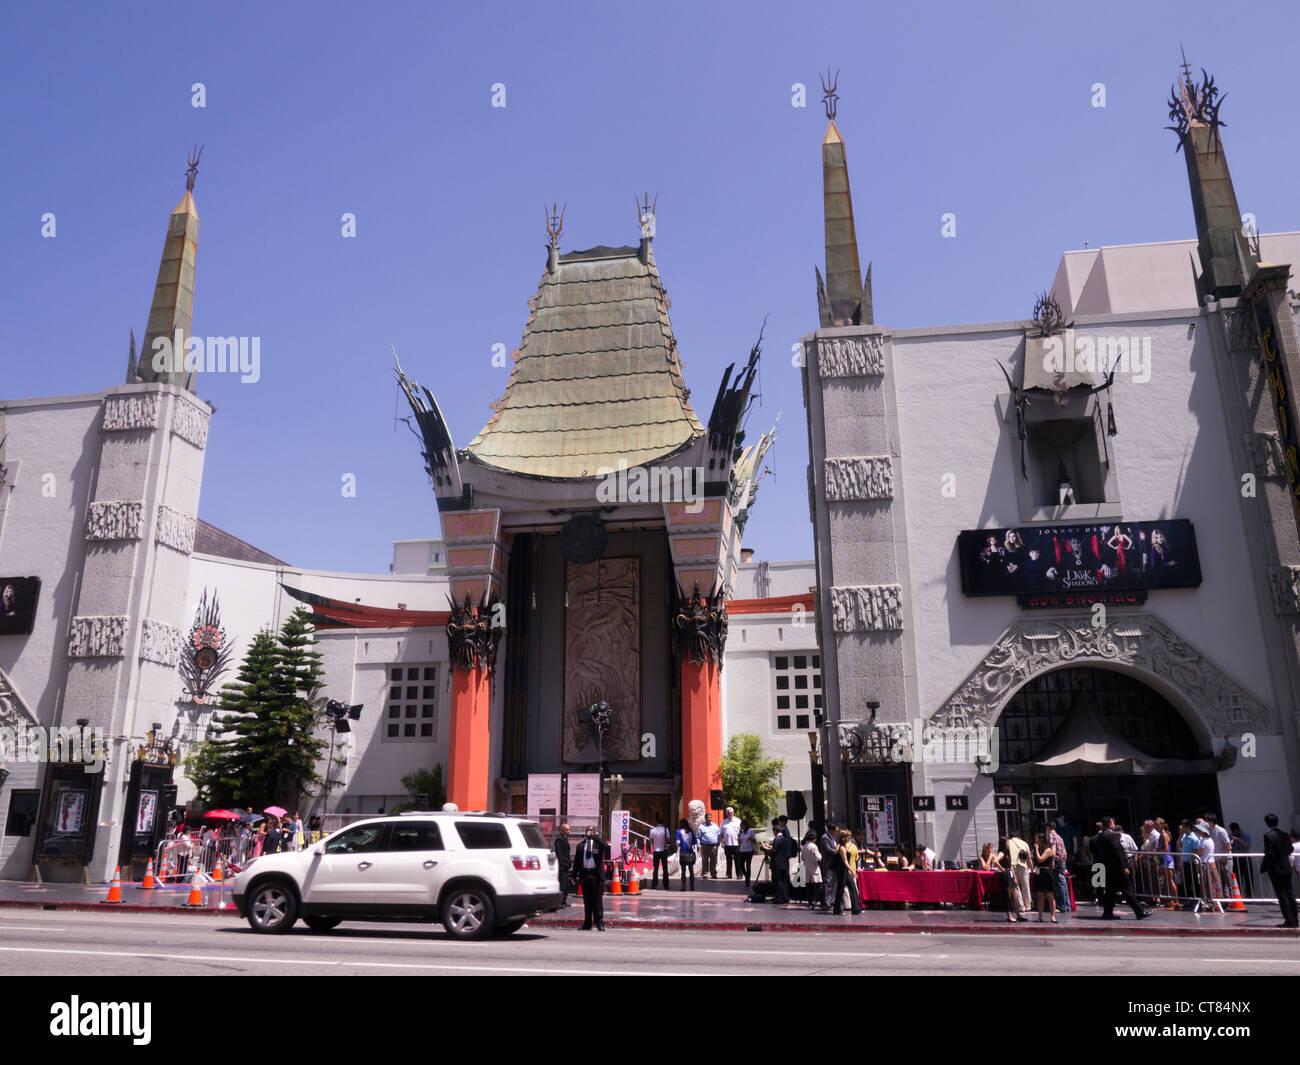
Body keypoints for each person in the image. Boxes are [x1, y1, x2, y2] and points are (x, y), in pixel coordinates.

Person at [1092, 817, 1151, 920]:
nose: (1114, 824)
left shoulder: (1100, 836)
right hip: (1117, 869)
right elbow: (1118, 851)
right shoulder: (1111, 835)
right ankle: (1139, 912)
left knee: (1110, 892)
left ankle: (1108, 913)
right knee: (1127, 890)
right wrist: (1124, 867)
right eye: (1113, 822)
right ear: (1110, 824)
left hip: (1107, 869)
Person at [1260, 813, 1297, 929]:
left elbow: (1270, 853)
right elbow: (1290, 849)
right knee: (1290, 894)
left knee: (1282, 895)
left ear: (1267, 823)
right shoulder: (1285, 835)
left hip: (1276, 869)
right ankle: (1295, 919)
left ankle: (1288, 920)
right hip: (1286, 867)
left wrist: (1268, 865)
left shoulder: (1268, 835)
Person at [574, 825, 610, 931]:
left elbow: (605, 845)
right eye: (588, 831)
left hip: (596, 875)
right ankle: (587, 923)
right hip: (585, 875)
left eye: (591, 830)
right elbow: (577, 861)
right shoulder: (581, 845)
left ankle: (599, 922)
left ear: (594, 832)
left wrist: (595, 837)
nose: (589, 832)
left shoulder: (598, 844)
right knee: (587, 901)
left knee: (597, 901)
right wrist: (574, 875)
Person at [1032, 833, 1058, 923]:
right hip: (1039, 873)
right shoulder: (1038, 849)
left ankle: (1053, 916)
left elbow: (1040, 859)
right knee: (1040, 897)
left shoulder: (1048, 850)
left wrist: (1036, 849)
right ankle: (1040, 917)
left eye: (1037, 840)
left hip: (1047, 874)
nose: (1035, 841)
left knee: (1050, 896)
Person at [765, 818, 792, 903]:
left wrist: (766, 849)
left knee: (777, 881)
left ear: (775, 831)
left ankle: (779, 898)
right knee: (784, 882)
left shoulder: (777, 839)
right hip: (784, 863)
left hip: (777, 864)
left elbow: (774, 851)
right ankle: (786, 898)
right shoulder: (784, 839)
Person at [838, 829, 862, 915]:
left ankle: (851, 907)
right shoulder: (851, 847)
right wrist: (852, 870)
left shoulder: (839, 847)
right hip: (847, 870)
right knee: (848, 888)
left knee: (845, 889)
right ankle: (854, 907)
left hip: (845, 871)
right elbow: (852, 859)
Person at [817, 822, 840, 911]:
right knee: (827, 883)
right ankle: (827, 902)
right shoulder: (825, 838)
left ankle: (832, 901)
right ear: (831, 830)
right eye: (836, 831)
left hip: (834, 864)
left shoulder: (833, 838)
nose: (837, 833)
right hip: (828, 864)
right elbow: (827, 849)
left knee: (834, 882)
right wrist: (838, 851)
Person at [1006, 832, 1031, 913]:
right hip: (1023, 866)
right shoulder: (1024, 843)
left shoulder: (1009, 843)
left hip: (1013, 866)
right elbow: (1029, 858)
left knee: (1016, 886)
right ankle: (1028, 905)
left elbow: (1007, 856)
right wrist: (1032, 868)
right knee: (1025, 885)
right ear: (1019, 837)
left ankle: (1021, 906)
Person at [1229, 821, 1254, 899]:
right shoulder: (1231, 836)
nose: (1235, 833)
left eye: (1235, 831)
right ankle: (1238, 895)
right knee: (1237, 878)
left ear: (1238, 829)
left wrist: (1239, 840)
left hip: (1245, 859)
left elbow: (1248, 846)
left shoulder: (1245, 836)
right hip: (1236, 859)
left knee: (1248, 877)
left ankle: (1249, 895)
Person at [800, 830, 823, 910]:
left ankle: (810, 903)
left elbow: (802, 858)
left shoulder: (804, 846)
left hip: (806, 867)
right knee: (817, 885)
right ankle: (816, 902)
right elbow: (819, 858)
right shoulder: (814, 846)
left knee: (808, 886)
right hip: (814, 867)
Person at [648, 816, 671, 891]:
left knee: (656, 868)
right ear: (663, 823)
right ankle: (666, 885)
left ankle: (654, 884)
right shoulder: (666, 830)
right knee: (665, 868)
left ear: (656, 823)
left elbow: (650, 841)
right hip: (663, 850)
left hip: (656, 850)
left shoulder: (652, 830)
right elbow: (668, 840)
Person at [696, 812, 721, 879]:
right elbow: (698, 837)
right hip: (705, 846)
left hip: (714, 846)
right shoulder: (701, 827)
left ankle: (713, 873)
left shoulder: (715, 826)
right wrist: (698, 845)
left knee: (714, 860)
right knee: (705, 860)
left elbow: (719, 835)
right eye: (708, 818)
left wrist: (718, 842)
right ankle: (705, 873)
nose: (709, 819)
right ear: (705, 819)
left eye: (710, 817)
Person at [719, 807, 741, 879]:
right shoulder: (724, 822)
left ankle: (739, 874)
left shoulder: (738, 821)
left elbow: (741, 833)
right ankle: (728, 874)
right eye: (728, 813)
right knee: (728, 861)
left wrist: (741, 843)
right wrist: (722, 842)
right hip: (727, 844)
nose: (730, 814)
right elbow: (721, 833)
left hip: (736, 844)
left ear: (733, 813)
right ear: (726, 814)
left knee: (737, 861)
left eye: (731, 813)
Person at [553, 823, 572, 905]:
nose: (569, 831)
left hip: (566, 865)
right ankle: (560, 902)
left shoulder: (564, 839)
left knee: (565, 884)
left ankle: (563, 900)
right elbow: (559, 853)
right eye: (567, 830)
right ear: (562, 830)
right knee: (562, 884)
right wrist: (562, 864)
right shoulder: (559, 839)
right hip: (563, 865)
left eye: (569, 829)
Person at [675, 819, 696, 891]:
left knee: (683, 871)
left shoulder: (678, 832)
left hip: (683, 853)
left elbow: (678, 842)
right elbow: (694, 842)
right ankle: (692, 887)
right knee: (691, 870)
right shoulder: (691, 832)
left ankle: (684, 886)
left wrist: (681, 845)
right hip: (690, 853)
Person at [737, 820, 756, 887]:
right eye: (741, 825)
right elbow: (739, 843)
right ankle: (746, 875)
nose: (742, 827)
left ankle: (747, 881)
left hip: (749, 851)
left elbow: (755, 841)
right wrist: (738, 838)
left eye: (743, 825)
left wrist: (750, 838)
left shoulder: (750, 832)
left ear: (746, 825)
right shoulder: (741, 833)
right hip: (742, 850)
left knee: (748, 866)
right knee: (741, 865)